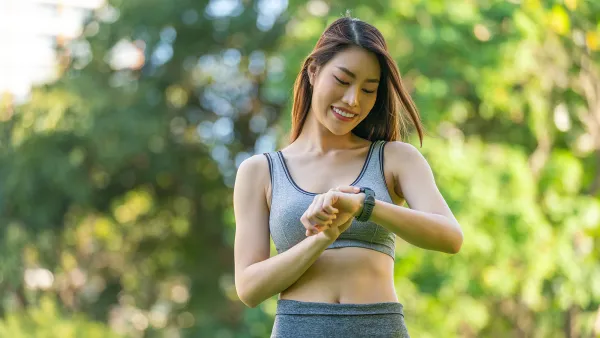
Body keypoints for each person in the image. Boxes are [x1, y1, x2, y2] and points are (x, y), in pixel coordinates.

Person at [233, 15, 463, 338]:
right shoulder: (260, 171)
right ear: (314, 71)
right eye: (343, 80)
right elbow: (249, 287)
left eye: (368, 90)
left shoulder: (394, 158)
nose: (353, 100)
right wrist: (323, 237)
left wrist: (363, 206)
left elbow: (451, 237)